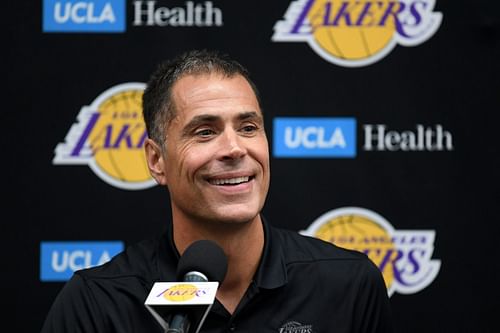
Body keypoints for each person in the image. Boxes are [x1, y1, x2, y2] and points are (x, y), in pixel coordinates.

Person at [41, 49, 394, 332]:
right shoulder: (97, 304)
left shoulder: (349, 285)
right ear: (156, 160)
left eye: (248, 127)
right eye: (205, 131)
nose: (235, 148)